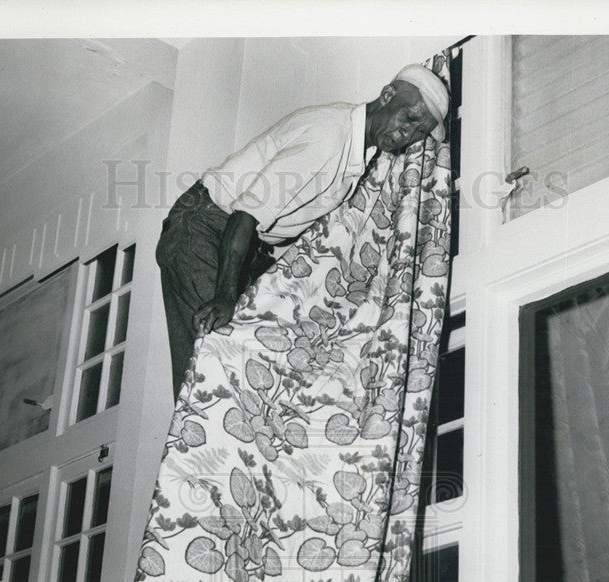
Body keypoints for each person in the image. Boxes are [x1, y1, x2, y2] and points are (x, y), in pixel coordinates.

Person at [156, 63, 450, 394]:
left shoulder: (355, 149)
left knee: (245, 366)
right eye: (409, 119)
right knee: (217, 365)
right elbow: (246, 215)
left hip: (234, 240)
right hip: (207, 228)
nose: (406, 135)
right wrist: (225, 295)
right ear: (387, 96)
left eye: (418, 133)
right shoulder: (329, 137)